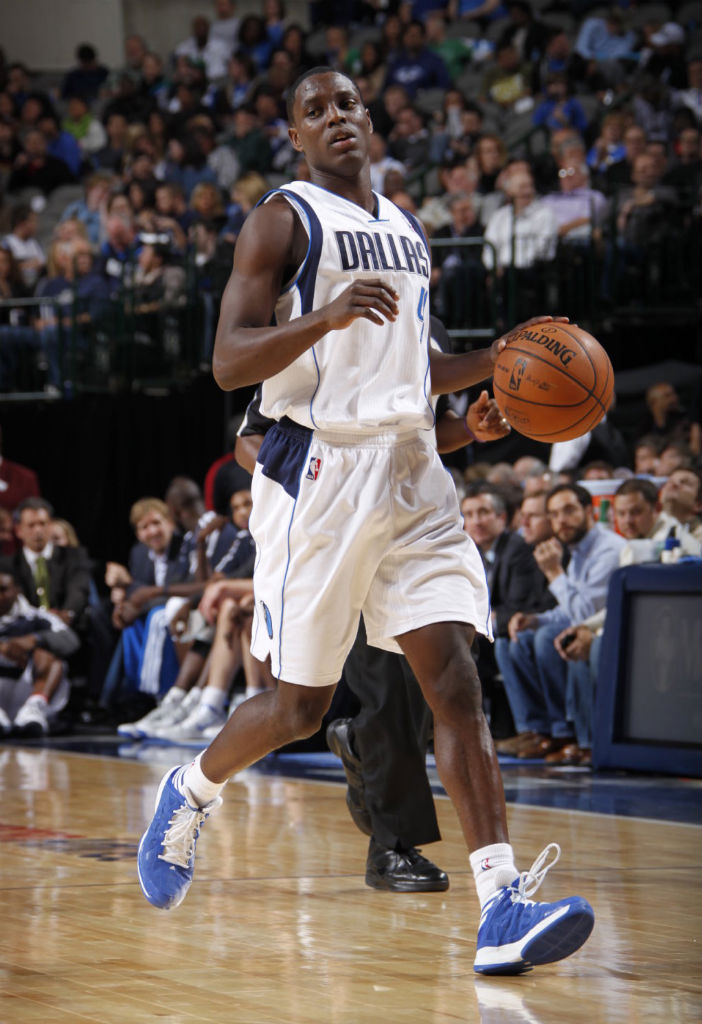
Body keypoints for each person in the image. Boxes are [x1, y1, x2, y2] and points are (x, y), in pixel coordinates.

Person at [137, 67, 594, 976]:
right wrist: (328, 318)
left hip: (412, 467)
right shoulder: (282, 218)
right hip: (319, 473)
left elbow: (415, 368)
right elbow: (229, 362)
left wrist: (487, 392)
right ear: (296, 137)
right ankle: (188, 791)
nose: (335, 117)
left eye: (347, 103)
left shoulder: (406, 228)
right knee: (297, 708)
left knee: (453, 682)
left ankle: (500, 903)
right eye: (315, 110)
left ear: (370, 118)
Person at [0, 567, 79, 736]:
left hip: (26, 687)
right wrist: (4, 648)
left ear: (17, 590)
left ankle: (34, 708)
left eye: (3, 590)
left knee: (49, 657)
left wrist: (34, 640)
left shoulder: (36, 617)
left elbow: (71, 641)